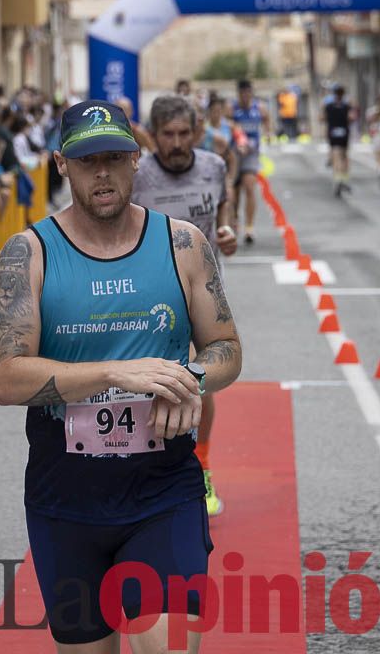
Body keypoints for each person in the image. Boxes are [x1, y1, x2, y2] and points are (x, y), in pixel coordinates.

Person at [0, 98, 242, 651]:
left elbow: (225, 348)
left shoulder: (182, 245)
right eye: (85, 161)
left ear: (135, 160)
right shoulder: (28, 253)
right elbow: (5, 378)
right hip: (65, 493)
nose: (101, 173)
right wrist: (113, 374)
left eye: (114, 157)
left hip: (163, 486)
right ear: (61, 165)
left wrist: (189, 380)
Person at [131, 95, 237, 519]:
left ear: (196, 132)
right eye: (167, 135)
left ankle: (202, 467)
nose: (176, 143)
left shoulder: (213, 166)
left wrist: (228, 233)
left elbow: (220, 214)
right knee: (148, 380)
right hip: (148, 291)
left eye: (183, 134)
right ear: (153, 135)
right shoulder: (139, 176)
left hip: (203, 287)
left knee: (197, 376)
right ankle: (141, 468)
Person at [230, 79, 268, 244]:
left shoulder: (259, 108)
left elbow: (267, 120)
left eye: (248, 93)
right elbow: (226, 125)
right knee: (235, 193)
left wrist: (268, 134)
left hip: (251, 154)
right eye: (242, 93)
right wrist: (237, 134)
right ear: (238, 94)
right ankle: (236, 219)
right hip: (235, 155)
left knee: (250, 186)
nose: (245, 97)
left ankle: (250, 227)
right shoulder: (232, 109)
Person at [325, 85, 352, 196]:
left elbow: (322, 118)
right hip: (344, 134)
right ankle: (344, 179)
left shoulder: (329, 106)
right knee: (344, 157)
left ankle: (338, 180)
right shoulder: (346, 106)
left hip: (333, 134)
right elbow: (352, 118)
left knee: (336, 158)